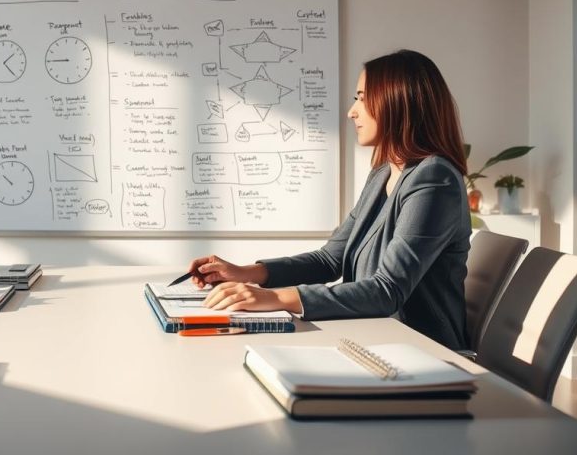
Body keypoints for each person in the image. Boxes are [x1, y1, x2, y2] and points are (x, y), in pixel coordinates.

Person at [189, 50, 471, 350]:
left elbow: (387, 291)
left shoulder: (434, 179)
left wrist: (275, 298)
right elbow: (330, 260)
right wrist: (247, 273)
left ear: (397, 102)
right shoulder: (383, 174)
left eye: (362, 98)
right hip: (374, 337)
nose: (352, 111)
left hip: (421, 351)